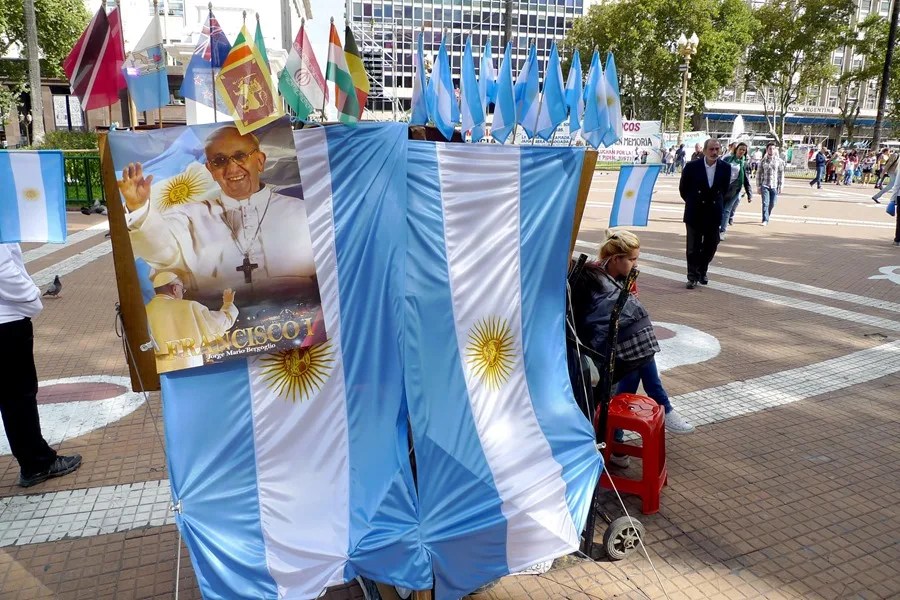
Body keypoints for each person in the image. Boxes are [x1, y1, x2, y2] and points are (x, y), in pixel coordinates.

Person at [119, 125, 316, 299]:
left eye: (240, 156)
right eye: (219, 161)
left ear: (260, 161)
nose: (231, 168)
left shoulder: (302, 212)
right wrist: (139, 209)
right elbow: (160, 250)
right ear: (210, 170)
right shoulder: (189, 217)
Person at [0, 243, 82, 488]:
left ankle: (36, 459)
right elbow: (4, 270)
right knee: (18, 396)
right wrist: (33, 295)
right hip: (6, 322)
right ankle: (37, 462)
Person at [145, 272, 239, 372]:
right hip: (189, 367)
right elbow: (220, 323)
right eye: (182, 290)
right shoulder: (189, 306)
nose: (182, 293)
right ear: (175, 289)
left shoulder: (144, 312)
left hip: (160, 371)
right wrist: (228, 304)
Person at [679, 138, 732, 288]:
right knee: (693, 247)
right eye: (711, 149)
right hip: (694, 212)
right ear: (704, 151)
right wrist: (692, 201)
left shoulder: (725, 167)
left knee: (711, 245)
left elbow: (724, 189)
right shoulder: (691, 167)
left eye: (717, 149)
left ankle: (702, 270)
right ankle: (692, 276)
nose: (714, 152)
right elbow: (683, 189)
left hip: (713, 212)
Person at [721, 142, 752, 238]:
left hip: (735, 190)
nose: (742, 151)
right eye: (740, 149)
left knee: (726, 210)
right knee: (719, 209)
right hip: (723, 188)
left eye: (744, 150)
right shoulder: (727, 159)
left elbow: (746, 180)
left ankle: (722, 231)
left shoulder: (744, 163)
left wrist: (749, 193)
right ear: (736, 150)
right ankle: (715, 227)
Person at [757, 142, 784, 225]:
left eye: (773, 148)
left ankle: (767, 215)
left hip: (774, 185)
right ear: (767, 150)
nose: (771, 150)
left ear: (775, 150)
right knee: (765, 203)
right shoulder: (763, 161)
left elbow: (781, 174)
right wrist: (758, 186)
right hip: (765, 185)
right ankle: (765, 219)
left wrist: (781, 185)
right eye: (770, 149)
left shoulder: (779, 161)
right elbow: (759, 173)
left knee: (772, 203)